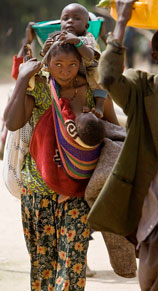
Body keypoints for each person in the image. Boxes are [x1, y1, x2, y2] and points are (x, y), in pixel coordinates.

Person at [88, 0, 158, 290]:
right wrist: (122, 21)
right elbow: (109, 77)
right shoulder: (140, 89)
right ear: (155, 53)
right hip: (154, 220)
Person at [4, 41, 105, 290]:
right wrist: (22, 78)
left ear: (80, 65)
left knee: (73, 265)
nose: (65, 71)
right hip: (38, 193)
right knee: (43, 268)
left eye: (72, 64)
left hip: (78, 194)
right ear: (47, 64)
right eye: (57, 64)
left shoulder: (94, 93)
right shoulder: (39, 89)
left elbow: (110, 135)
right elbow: (11, 122)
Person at [41, 3, 118, 124]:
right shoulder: (56, 38)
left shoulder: (87, 38)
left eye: (76, 18)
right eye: (66, 18)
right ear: (60, 23)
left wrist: (77, 42)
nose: (70, 21)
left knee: (99, 77)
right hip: (67, 74)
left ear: (86, 26)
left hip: (89, 68)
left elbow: (90, 56)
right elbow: (46, 58)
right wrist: (45, 49)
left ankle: (99, 104)